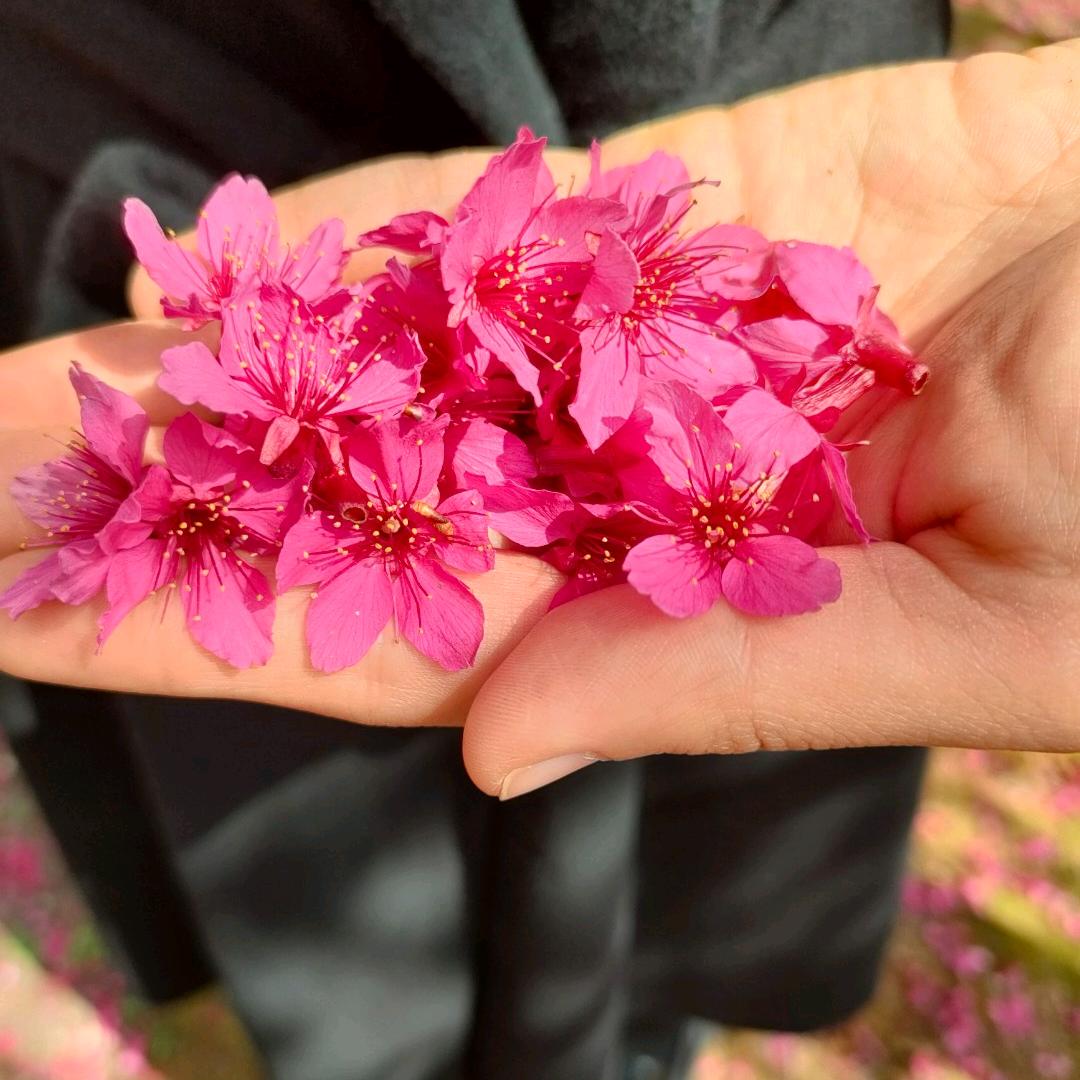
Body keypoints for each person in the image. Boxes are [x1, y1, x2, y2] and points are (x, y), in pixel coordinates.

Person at [2, 3, 1077, 1078]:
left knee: (684, 847)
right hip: (158, 79)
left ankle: (654, 1042)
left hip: (806, 89)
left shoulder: (742, 396)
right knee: (331, 895)